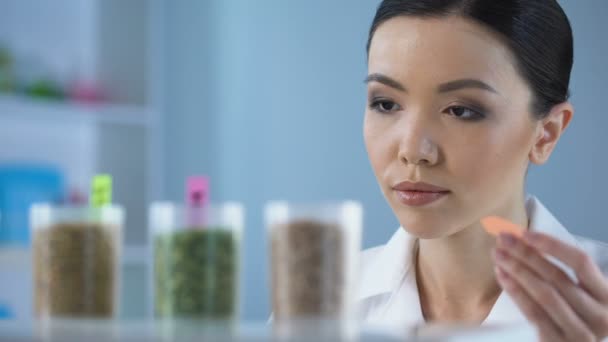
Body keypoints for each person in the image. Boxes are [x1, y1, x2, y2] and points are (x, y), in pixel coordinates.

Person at [359, 1, 608, 340]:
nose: (412, 151)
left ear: (546, 134)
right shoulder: (322, 304)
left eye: (460, 111)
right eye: (385, 104)